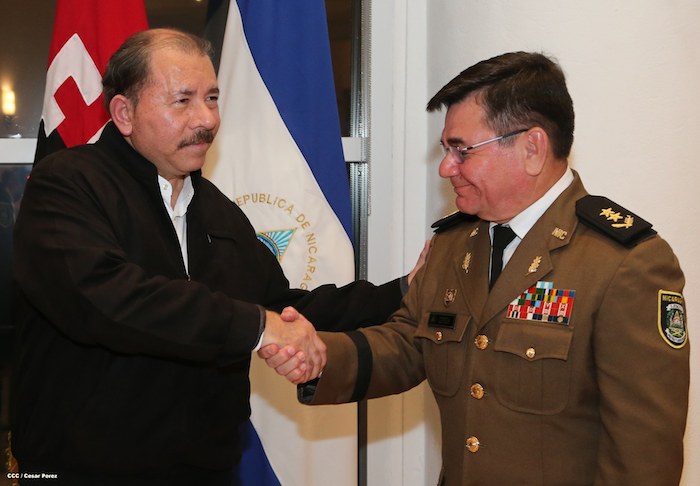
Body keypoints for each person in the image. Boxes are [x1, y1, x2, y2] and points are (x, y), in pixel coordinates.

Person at [10, 28, 421, 485]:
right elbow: (109, 298)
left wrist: (405, 291)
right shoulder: (66, 183)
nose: (206, 119)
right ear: (124, 113)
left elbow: (282, 305)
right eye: (182, 101)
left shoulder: (217, 209)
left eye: (211, 98)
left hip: (207, 466)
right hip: (84, 468)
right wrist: (258, 327)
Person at [263, 51, 690, 485]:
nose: (446, 167)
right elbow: (409, 343)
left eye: (461, 150)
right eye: (446, 150)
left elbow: (644, 458)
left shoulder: (623, 263)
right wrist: (321, 356)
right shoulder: (455, 244)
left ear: (532, 148)